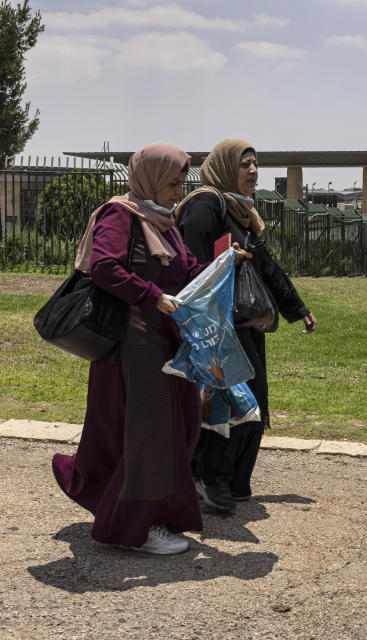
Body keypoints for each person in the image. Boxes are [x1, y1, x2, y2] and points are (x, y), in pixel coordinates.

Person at [52, 142, 208, 554]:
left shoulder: (164, 221)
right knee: (149, 433)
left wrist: (224, 267)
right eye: (172, 182)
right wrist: (151, 294)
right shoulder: (120, 214)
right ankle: (132, 529)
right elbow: (104, 266)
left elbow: (187, 268)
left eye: (181, 182)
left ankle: (156, 514)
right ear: (151, 178)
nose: (178, 189)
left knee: (180, 426)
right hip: (134, 343)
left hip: (165, 341)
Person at [175, 138, 316, 513]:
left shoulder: (244, 215)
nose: (253, 171)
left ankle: (234, 480)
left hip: (244, 322)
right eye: (244, 164)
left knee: (256, 402)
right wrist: (225, 265)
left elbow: (265, 266)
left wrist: (297, 307)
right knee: (234, 402)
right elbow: (188, 265)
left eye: (256, 164)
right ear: (224, 166)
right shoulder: (206, 205)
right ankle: (208, 475)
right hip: (217, 325)